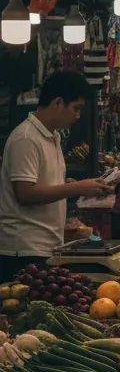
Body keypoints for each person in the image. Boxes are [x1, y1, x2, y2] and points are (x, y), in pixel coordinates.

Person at [0, 72, 108, 281]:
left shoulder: (53, 137)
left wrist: (67, 184)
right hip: (23, 250)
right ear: (58, 102)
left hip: (47, 245)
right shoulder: (26, 138)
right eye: (75, 108)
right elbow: (25, 193)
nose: (77, 116)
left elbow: (40, 184)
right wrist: (76, 189)